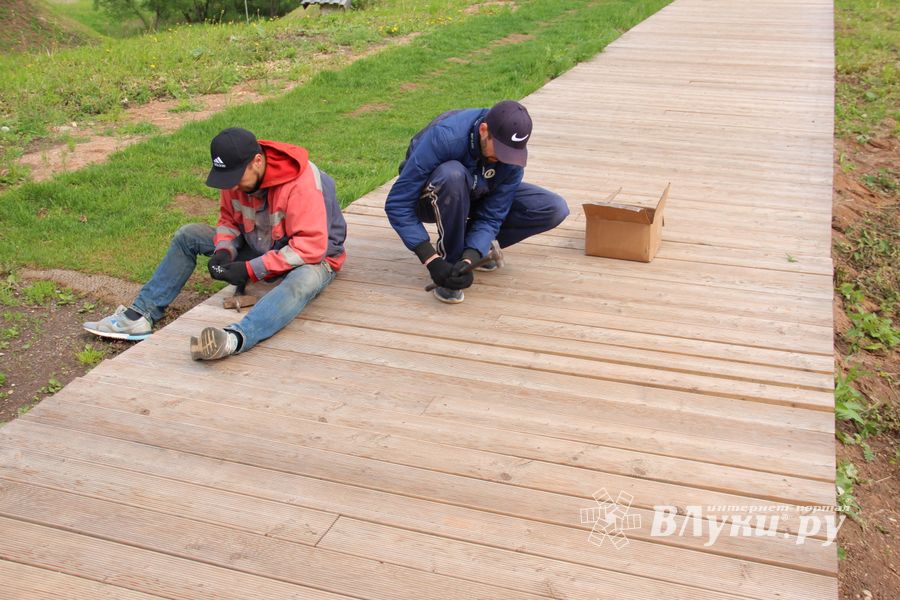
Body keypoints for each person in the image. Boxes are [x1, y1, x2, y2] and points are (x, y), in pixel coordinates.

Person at [83, 127, 347, 361]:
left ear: (257, 162)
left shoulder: (302, 183)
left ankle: (235, 338)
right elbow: (228, 220)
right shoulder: (234, 174)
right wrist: (224, 249)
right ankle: (140, 316)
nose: (231, 186)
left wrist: (249, 270)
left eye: (235, 178)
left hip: (315, 256)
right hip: (261, 243)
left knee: (303, 282)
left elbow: (310, 246)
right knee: (189, 235)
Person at [384, 100, 569, 304]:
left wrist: (471, 256)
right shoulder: (444, 136)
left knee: (552, 208)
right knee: (452, 176)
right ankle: (449, 262)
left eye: (510, 154)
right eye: (498, 150)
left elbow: (492, 215)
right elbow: (398, 204)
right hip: (431, 197)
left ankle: (470, 251)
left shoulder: (511, 155)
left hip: (477, 191)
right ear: (483, 130)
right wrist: (431, 259)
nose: (503, 159)